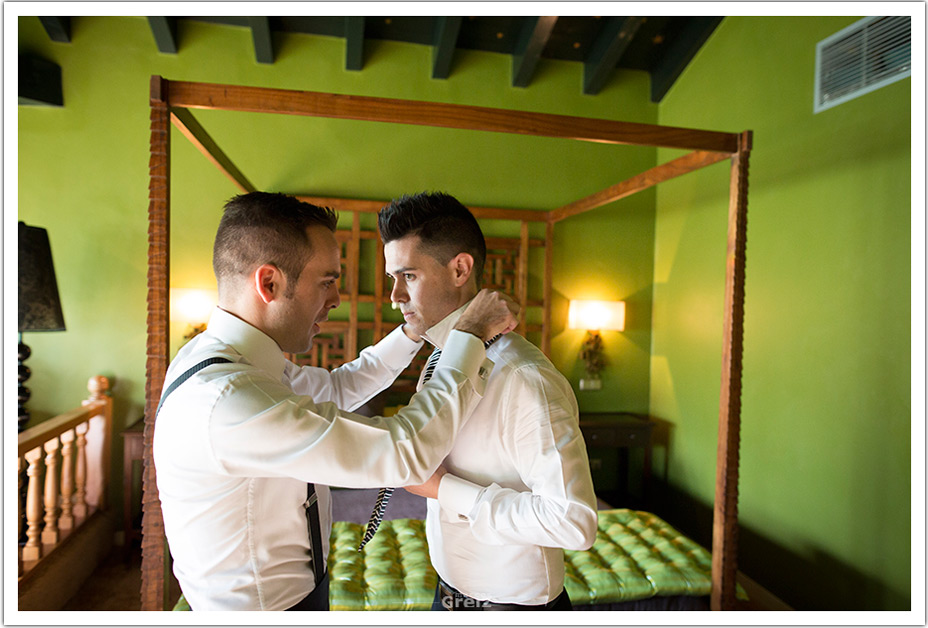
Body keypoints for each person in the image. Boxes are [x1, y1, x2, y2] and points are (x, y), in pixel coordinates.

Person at [153, 191, 518, 611]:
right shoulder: (228, 401)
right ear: (268, 283)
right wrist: (468, 336)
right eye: (326, 281)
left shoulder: (233, 361)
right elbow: (405, 452)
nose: (337, 299)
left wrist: (415, 330)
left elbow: (339, 389)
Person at [377, 191, 598, 611]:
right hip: (446, 596)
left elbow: (575, 521)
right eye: (393, 278)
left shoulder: (523, 378)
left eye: (408, 276)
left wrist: (444, 489)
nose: (394, 297)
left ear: (460, 269)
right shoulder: (439, 362)